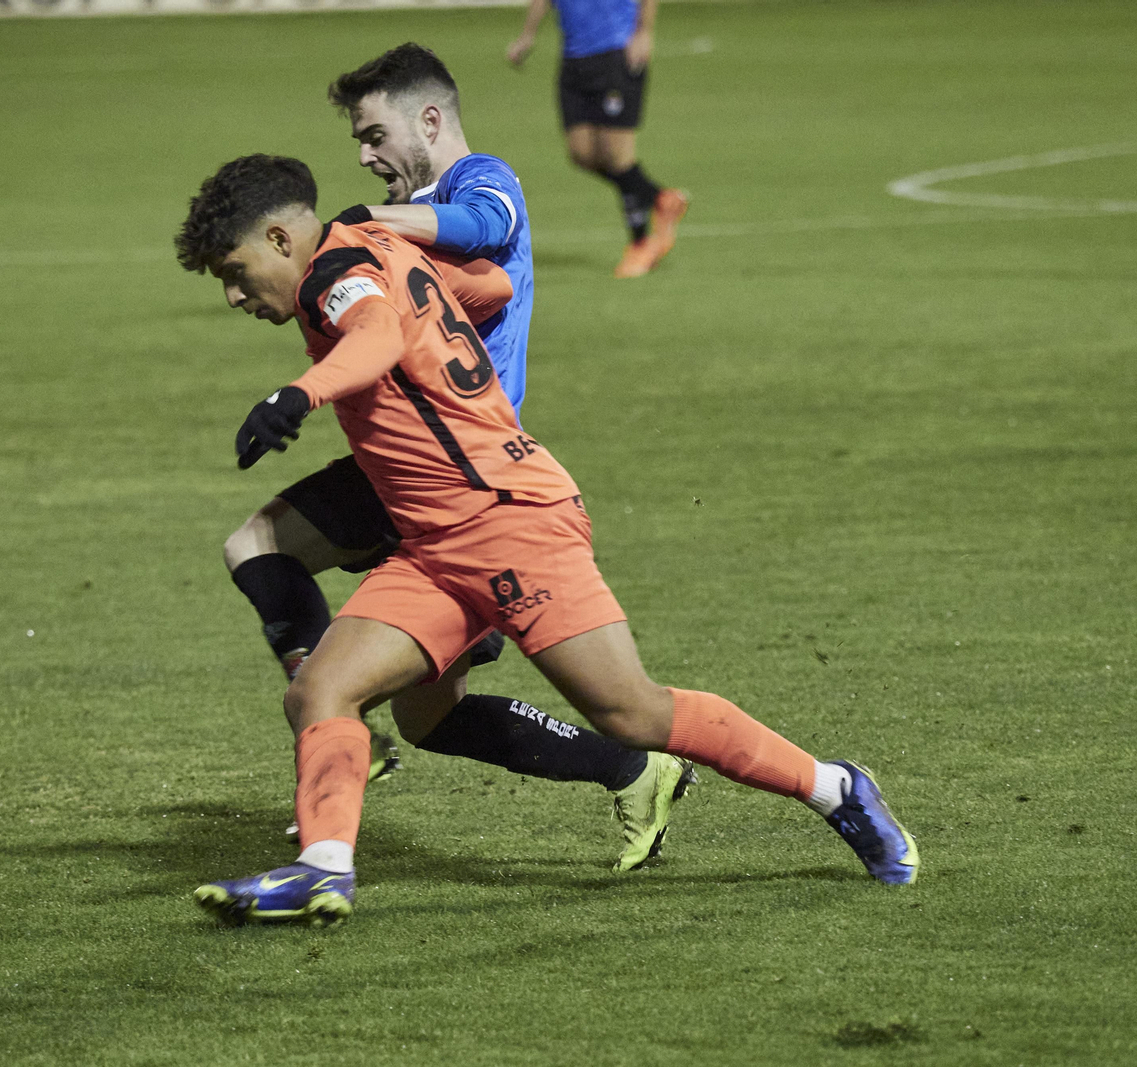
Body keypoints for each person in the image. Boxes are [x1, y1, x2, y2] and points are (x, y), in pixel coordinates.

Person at [175, 155, 919, 925]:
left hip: (510, 523)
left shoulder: (337, 277)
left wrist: (299, 392)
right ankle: (322, 868)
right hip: (435, 545)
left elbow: (374, 331)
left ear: (278, 235)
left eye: (236, 270)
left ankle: (836, 786)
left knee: (633, 713)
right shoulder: (373, 248)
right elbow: (489, 288)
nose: (233, 295)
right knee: (322, 690)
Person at [218, 45, 694, 872]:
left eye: (374, 134)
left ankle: (337, 728)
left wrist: (362, 225)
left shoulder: (482, 181)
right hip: (415, 471)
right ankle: (633, 769)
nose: (364, 157)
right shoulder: (390, 226)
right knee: (429, 717)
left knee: (262, 548)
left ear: (428, 120)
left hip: (469, 478)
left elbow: (489, 230)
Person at [507, 0, 688, 277]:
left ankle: (640, 244)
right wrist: (527, 35)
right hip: (574, 59)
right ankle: (661, 199)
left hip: (616, 53)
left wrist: (644, 32)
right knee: (581, 154)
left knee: (618, 156)